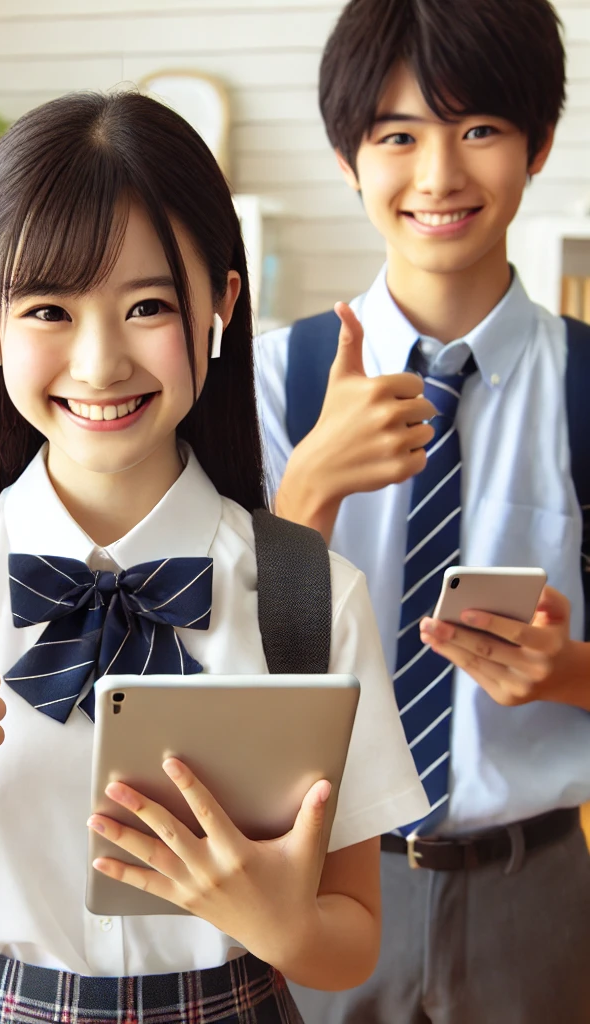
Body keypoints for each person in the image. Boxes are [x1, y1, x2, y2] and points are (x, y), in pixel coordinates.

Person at [0, 91, 429, 1024]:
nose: (99, 362)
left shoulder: (310, 595)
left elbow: (350, 944)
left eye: (148, 305)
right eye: (48, 309)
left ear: (222, 304)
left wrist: (277, 918)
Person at [254, 1, 590, 1020]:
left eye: (477, 128)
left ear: (535, 147)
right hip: (315, 877)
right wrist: (305, 496)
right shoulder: (274, 379)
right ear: (348, 160)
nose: (438, 175)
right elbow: (200, 662)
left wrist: (570, 672)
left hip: (533, 894)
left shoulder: (584, 389)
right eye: (396, 135)